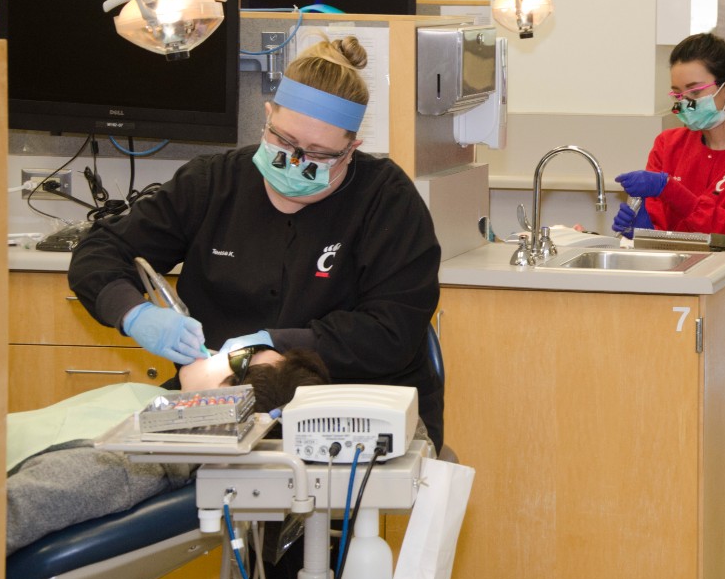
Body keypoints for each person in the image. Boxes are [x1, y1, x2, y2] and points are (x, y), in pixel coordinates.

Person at [68, 35, 444, 452]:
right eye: (284, 142)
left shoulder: (385, 200)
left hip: (351, 407)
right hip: (216, 407)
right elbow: (99, 253)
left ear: (351, 149)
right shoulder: (212, 183)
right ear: (267, 117)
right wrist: (134, 313)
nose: (294, 162)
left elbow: (392, 331)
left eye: (318, 154)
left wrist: (273, 343)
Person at [6, 349, 329, 555]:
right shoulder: (154, 426)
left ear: (222, 403)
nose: (223, 349)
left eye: (238, 358)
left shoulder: (120, 466)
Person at [611, 32, 725, 335]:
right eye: (678, 95)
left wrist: (673, 191)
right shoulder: (669, 144)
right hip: (668, 281)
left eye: (694, 93)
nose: (685, 104)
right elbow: (658, 232)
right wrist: (641, 231)